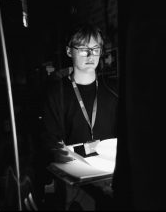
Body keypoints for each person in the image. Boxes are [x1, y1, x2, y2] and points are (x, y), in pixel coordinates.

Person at [40, 22, 118, 210]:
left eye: (95, 49)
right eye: (83, 49)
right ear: (69, 51)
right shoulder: (56, 92)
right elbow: (48, 139)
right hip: (74, 184)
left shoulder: (114, 90)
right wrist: (54, 151)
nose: (91, 55)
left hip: (111, 179)